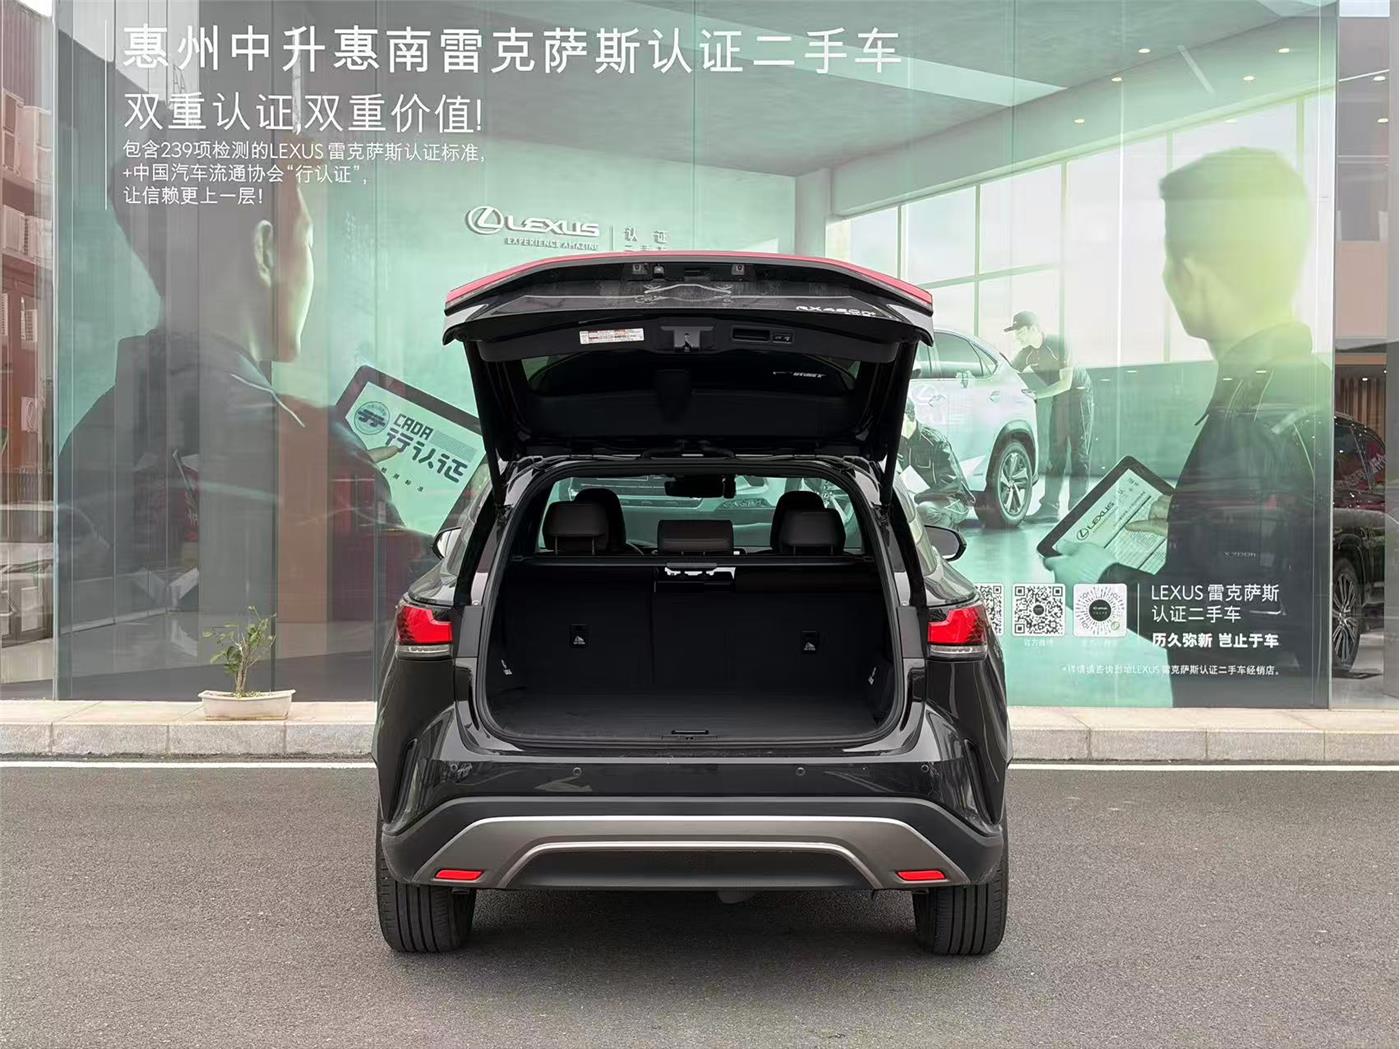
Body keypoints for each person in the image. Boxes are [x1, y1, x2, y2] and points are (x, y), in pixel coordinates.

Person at [1043, 148, 1330, 707]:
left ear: (1191, 275)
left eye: (1169, 259)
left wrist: (1103, 581)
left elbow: (1238, 613)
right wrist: (1197, 514)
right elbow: (1278, 550)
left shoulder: (1249, 416)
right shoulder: (1304, 380)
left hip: (1242, 723)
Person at [1007, 312, 1094, 523]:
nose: (1017, 337)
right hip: (1059, 399)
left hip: (1079, 395)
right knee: (1056, 454)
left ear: (1034, 328)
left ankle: (1078, 507)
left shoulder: (1059, 343)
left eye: (1020, 331)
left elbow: (1065, 383)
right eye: (1015, 332)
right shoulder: (1026, 353)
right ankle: (1050, 508)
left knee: (1079, 453)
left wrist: (1035, 395)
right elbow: (1007, 372)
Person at [898, 402, 975, 528]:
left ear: (906, 417)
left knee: (925, 510)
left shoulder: (935, 441)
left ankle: (950, 534)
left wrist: (920, 496)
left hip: (954, 499)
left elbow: (952, 482)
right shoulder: (899, 442)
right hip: (920, 497)